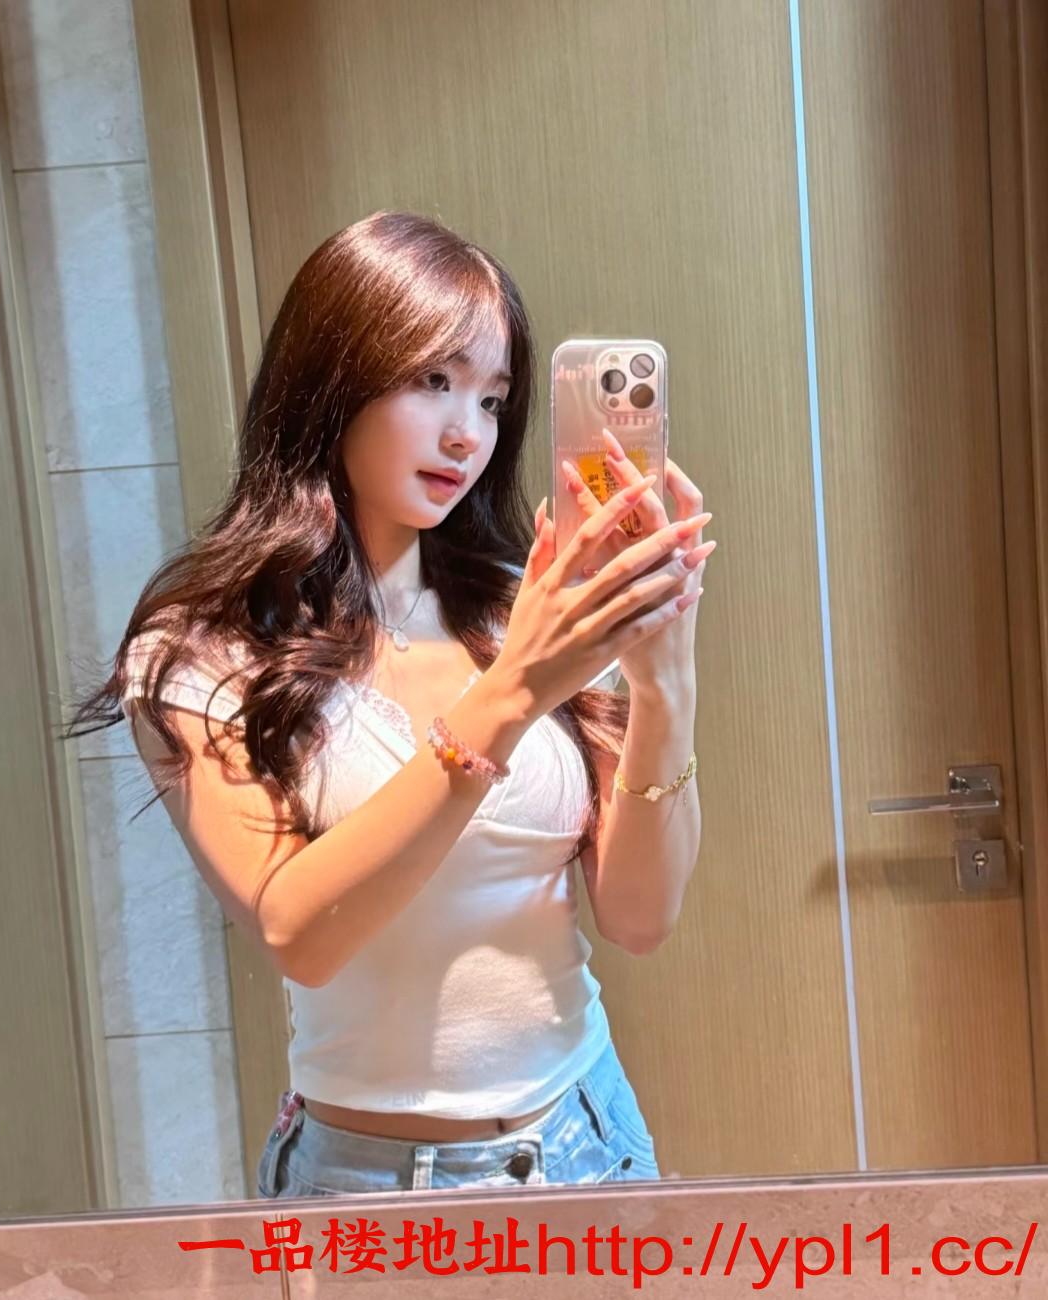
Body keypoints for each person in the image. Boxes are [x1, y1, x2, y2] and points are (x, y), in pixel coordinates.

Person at [64, 210, 716, 1198]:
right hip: (362, 1185)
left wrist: (666, 684)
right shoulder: (203, 652)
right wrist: (513, 691)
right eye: (434, 381)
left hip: (588, 1142)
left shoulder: (523, 605)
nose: (468, 433)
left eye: (493, 400)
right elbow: (302, 935)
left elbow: (637, 917)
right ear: (334, 376)